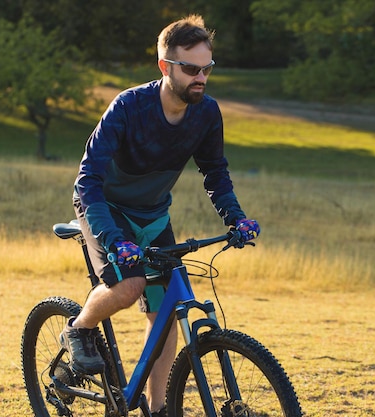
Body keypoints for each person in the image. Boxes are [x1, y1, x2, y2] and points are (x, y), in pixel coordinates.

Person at [60, 14, 260, 417]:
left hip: (153, 215)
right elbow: (88, 181)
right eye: (190, 69)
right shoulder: (130, 107)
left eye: (207, 68)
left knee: (166, 310)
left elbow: (215, 173)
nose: (200, 77)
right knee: (131, 285)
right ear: (165, 67)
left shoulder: (206, 113)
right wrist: (115, 239)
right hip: (106, 210)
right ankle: (78, 329)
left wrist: (234, 218)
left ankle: (159, 408)